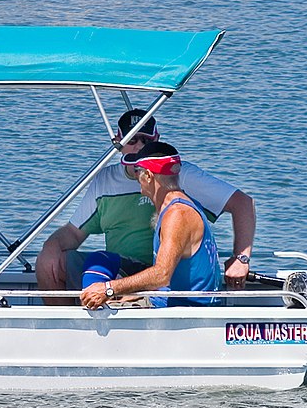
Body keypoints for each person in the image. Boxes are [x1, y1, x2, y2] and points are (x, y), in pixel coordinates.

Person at [36, 109, 255, 304]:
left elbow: (161, 275)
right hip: (139, 273)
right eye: (132, 140)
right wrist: (51, 246)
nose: (139, 146)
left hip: (172, 291)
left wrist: (241, 258)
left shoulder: (177, 206)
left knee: (110, 293)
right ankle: (77, 325)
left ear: (149, 176)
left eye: (145, 140)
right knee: (95, 261)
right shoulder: (160, 193)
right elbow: (74, 232)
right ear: (119, 141)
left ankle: (96, 321)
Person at [81, 142, 218, 310]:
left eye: (137, 171)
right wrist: (134, 293)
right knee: (100, 259)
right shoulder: (180, 205)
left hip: (181, 309)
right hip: (169, 300)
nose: (136, 178)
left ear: (147, 176)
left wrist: (108, 289)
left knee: (102, 298)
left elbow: (162, 275)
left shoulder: (177, 214)